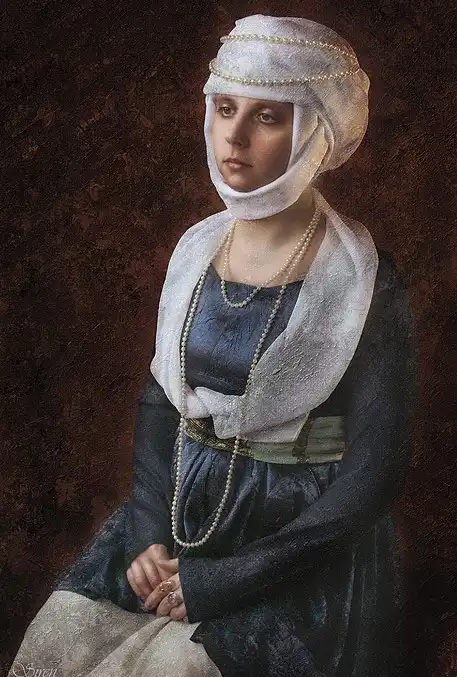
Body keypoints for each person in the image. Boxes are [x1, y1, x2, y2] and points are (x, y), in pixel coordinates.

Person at [8, 13, 419, 677]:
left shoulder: (363, 280)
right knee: (52, 650)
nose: (234, 136)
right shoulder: (197, 251)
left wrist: (225, 580)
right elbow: (161, 400)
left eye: (267, 116)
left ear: (314, 132)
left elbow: (374, 474)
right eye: (225, 109)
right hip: (178, 510)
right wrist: (146, 533)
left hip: (294, 547)